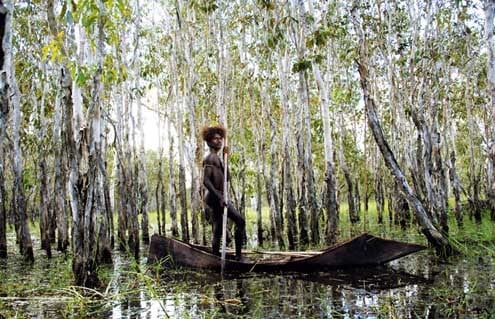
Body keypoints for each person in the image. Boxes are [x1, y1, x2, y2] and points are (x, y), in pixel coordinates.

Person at [201, 125, 245, 260]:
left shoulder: (218, 158)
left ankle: (214, 257)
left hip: (219, 197)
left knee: (218, 230)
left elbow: (227, 178)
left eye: (220, 139)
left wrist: (226, 159)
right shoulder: (210, 158)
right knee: (240, 221)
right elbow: (206, 181)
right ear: (209, 141)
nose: (219, 141)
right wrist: (220, 197)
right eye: (215, 139)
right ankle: (238, 257)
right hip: (215, 198)